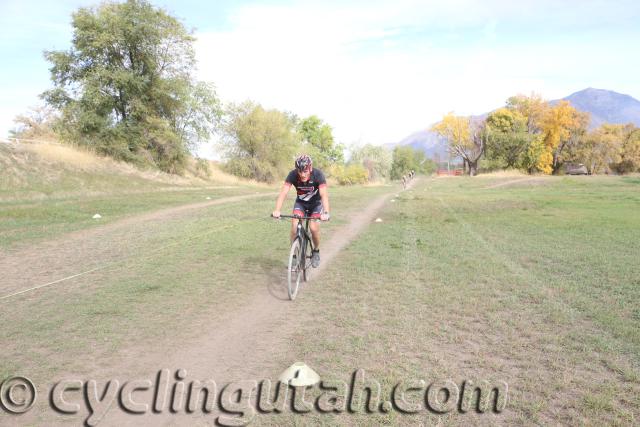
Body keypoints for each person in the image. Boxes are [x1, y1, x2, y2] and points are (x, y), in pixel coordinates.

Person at [272, 154, 330, 268]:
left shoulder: (318, 175)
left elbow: (324, 194)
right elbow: (284, 192)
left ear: (310, 168)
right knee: (294, 225)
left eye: (305, 171)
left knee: (313, 228)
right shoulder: (293, 175)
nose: (303, 174)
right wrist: (277, 210)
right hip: (301, 204)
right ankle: (293, 256)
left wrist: (326, 212)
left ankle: (316, 251)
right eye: (300, 171)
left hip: (316, 205)